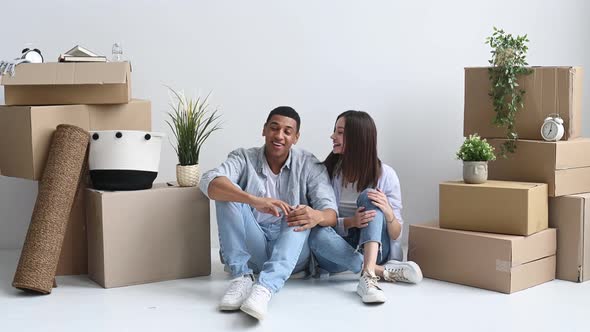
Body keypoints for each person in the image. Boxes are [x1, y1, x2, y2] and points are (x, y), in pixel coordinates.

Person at [199, 106, 337, 320]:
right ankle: (241, 278)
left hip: (291, 252)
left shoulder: (309, 164)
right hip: (254, 247)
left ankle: (264, 288)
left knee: (300, 212)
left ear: (296, 137)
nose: (279, 136)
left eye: (287, 131)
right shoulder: (243, 157)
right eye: (274, 128)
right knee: (227, 193)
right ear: (264, 130)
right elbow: (209, 182)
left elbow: (331, 212)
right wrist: (254, 200)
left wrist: (315, 215)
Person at [306, 110, 422, 304]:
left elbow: (395, 235)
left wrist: (388, 213)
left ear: (357, 138)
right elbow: (319, 218)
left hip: (374, 248)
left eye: (340, 132)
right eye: (335, 131)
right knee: (315, 234)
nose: (332, 136)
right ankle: (378, 271)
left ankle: (367, 275)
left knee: (370, 197)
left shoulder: (386, 175)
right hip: (336, 250)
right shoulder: (325, 172)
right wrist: (350, 222)